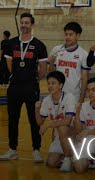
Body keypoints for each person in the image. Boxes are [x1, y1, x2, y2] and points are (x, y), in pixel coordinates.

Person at [0, 13, 47, 162]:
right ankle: (13, 149)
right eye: (22, 22)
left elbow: (43, 68)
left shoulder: (39, 45)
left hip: (31, 88)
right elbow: (9, 64)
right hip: (14, 88)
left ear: (32, 25)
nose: (24, 25)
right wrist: (17, 76)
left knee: (34, 119)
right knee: (13, 119)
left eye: (27, 23)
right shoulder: (11, 43)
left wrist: (33, 79)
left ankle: (36, 150)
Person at [35, 71, 76, 172]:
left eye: (53, 83)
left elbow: (67, 121)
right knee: (51, 163)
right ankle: (65, 156)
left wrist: (48, 125)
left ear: (61, 85)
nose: (50, 86)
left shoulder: (69, 97)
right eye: (48, 83)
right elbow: (40, 122)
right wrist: (36, 109)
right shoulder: (46, 100)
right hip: (59, 137)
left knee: (62, 127)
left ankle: (67, 159)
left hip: (73, 135)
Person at [48, 22, 90, 103]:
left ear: (78, 36)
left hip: (74, 95)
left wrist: (82, 97)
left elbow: (85, 78)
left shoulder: (83, 54)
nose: (68, 37)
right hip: (57, 93)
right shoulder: (56, 50)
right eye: (66, 34)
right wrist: (52, 63)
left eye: (71, 34)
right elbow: (51, 73)